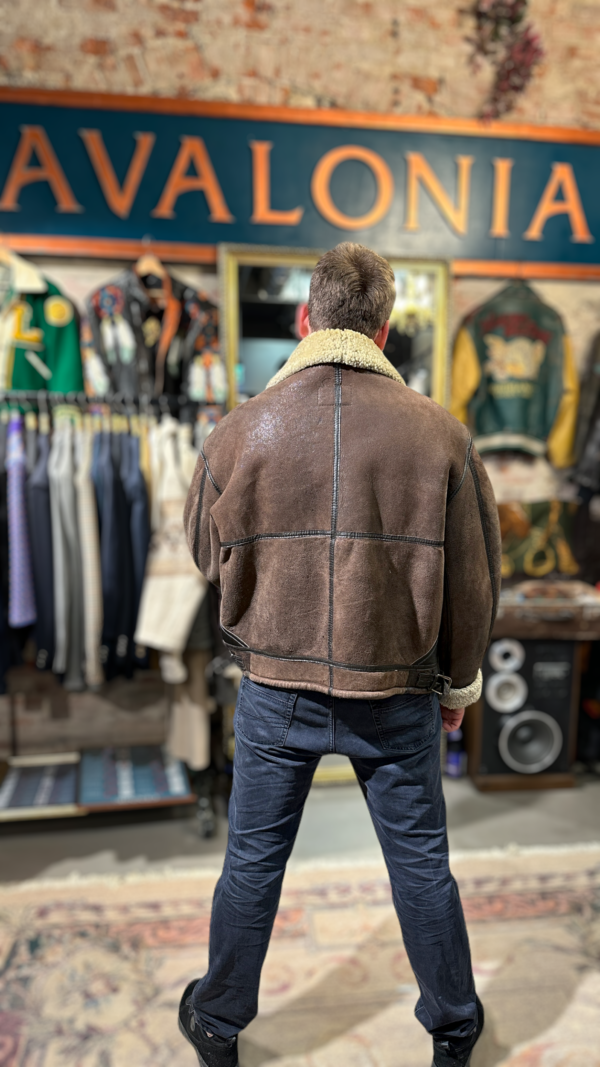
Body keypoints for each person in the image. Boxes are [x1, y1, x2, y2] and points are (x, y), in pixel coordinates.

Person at [180, 243, 502, 1067]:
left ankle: (217, 1022)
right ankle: (455, 1026)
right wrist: (459, 685)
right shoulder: (443, 436)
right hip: (397, 687)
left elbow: (206, 554)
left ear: (305, 319)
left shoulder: (238, 430)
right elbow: (473, 583)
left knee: (252, 861)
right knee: (421, 863)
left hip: (274, 689)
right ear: (384, 329)